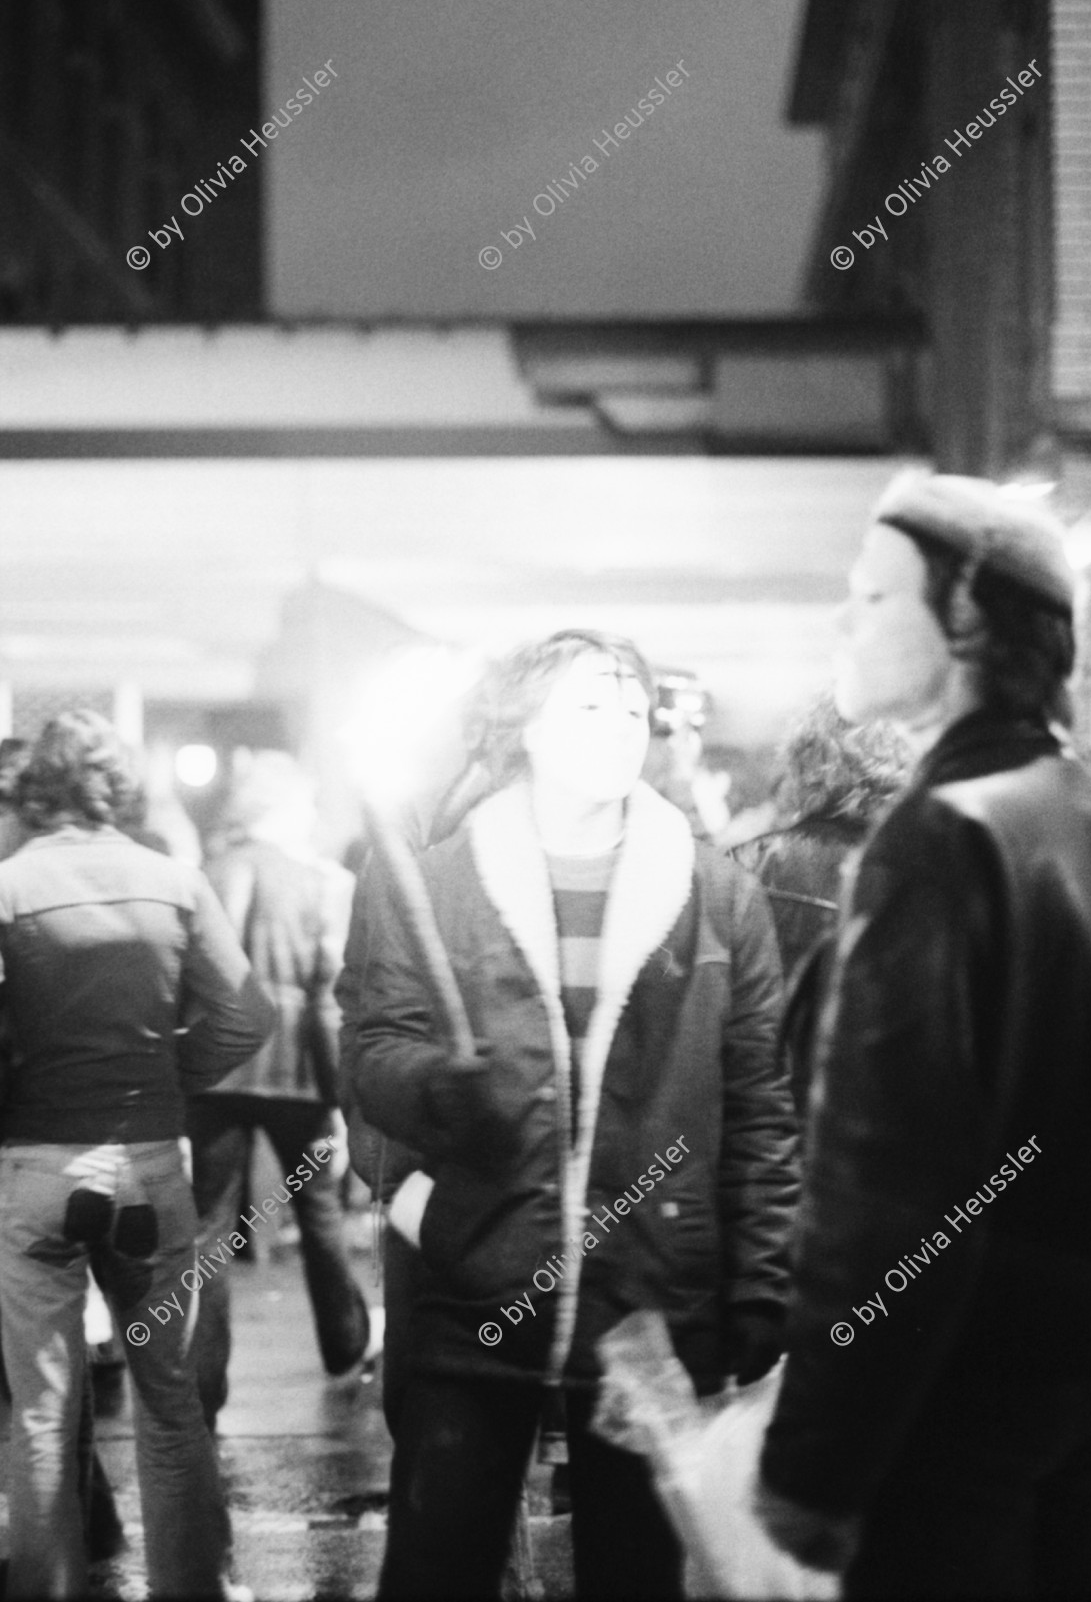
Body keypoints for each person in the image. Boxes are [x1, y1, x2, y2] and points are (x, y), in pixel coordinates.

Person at [755, 473, 1091, 1600]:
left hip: (953, 1401)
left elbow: (884, 1187)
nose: (846, 621)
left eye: (874, 595)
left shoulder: (939, 839)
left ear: (970, 624)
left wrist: (810, 1465)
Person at [346, 628, 799, 1600]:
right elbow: (370, 1052)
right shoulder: (439, 882)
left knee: (636, 1572)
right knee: (439, 1563)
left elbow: (760, 1103)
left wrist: (761, 1278)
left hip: (650, 1289)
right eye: (590, 704)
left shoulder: (717, 891)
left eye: (634, 708)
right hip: (476, 1279)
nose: (621, 725)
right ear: (527, 730)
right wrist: (430, 1119)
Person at [0, 710, 274, 1601]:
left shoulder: (7, 886)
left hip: (37, 1171)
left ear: (31, 789)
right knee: (168, 1404)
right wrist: (166, 1074)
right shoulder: (176, 880)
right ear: (120, 787)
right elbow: (246, 1015)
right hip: (150, 1171)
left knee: (43, 1416)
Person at [187, 750, 373, 1427]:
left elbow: (197, 973)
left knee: (208, 1230)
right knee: (319, 1213)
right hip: (299, 1069)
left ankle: (204, 1382)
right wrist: (340, 1094)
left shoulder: (212, 871)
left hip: (218, 1071)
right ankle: (345, 1349)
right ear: (285, 806)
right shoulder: (325, 881)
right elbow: (331, 991)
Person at [728, 697, 911, 1119]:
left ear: (804, 767)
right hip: (879, 1129)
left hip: (761, 1119)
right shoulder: (932, 876)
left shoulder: (741, 867)